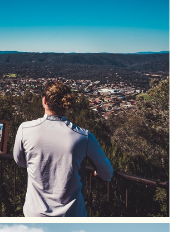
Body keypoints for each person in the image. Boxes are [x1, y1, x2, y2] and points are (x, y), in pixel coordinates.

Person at [12, 81, 113, 217]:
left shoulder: (25, 129)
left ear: (44, 100)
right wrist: (97, 171)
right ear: (67, 104)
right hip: (71, 215)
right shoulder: (83, 136)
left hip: (34, 214)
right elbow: (107, 173)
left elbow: (20, 161)